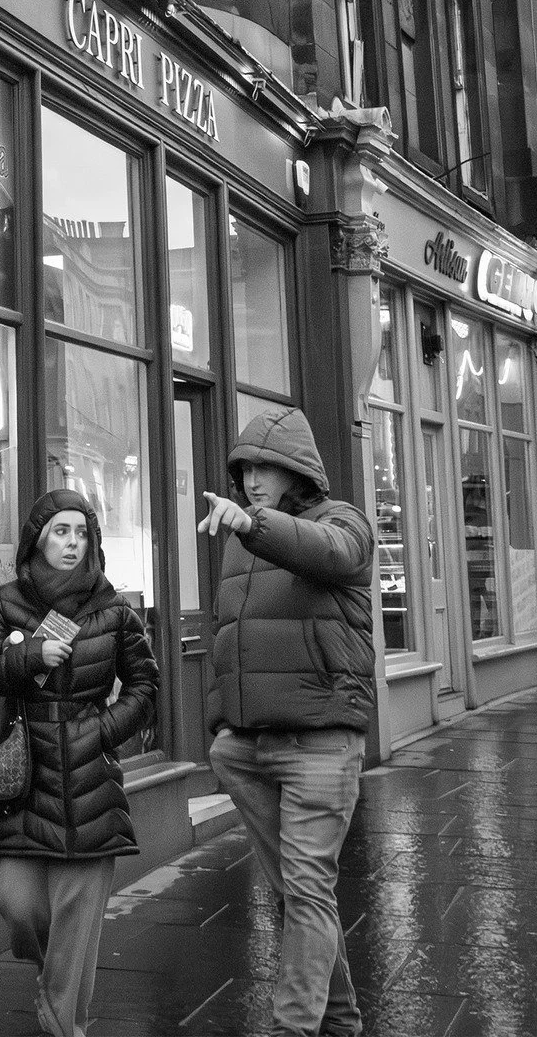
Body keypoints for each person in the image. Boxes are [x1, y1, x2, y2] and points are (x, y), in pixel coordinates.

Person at [199, 407, 375, 1037]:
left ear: (297, 469)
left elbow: (325, 552)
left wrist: (254, 526)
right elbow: (229, 637)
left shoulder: (343, 523)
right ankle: (343, 1021)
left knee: (304, 895)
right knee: (306, 899)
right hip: (249, 750)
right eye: (243, 467)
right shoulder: (242, 548)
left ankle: (292, 1028)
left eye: (264, 466)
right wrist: (221, 728)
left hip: (320, 746)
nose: (250, 478)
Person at [0, 489, 158, 1037]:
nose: (72, 544)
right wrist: (27, 656)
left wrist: (102, 730)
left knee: (77, 918)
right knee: (19, 906)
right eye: (61, 532)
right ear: (38, 539)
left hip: (91, 782)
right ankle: (59, 977)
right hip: (23, 779)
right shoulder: (5, 604)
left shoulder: (113, 609)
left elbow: (146, 686)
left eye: (81, 533)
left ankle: (62, 1022)